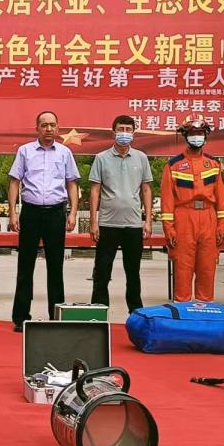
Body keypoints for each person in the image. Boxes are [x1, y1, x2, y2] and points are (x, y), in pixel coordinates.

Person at [8, 111, 80, 332]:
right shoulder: (25, 151)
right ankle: (21, 317)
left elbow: (72, 184)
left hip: (56, 213)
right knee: (25, 266)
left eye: (52, 125)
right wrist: (12, 213)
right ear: (37, 128)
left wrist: (73, 212)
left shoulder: (65, 152)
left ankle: (56, 316)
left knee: (56, 267)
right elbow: (14, 182)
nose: (48, 129)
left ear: (57, 128)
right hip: (30, 213)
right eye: (44, 125)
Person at [160, 115, 224, 302]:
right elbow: (167, 201)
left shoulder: (214, 164)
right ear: (185, 135)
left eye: (199, 133)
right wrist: (169, 228)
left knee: (207, 267)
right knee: (183, 267)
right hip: (184, 218)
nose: (196, 137)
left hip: (208, 218)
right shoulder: (173, 166)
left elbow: (222, 201)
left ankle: (205, 309)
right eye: (192, 133)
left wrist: (222, 225)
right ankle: (182, 309)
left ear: (205, 136)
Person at [89, 115, 153, 313]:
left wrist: (148, 220)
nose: (124, 133)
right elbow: (95, 190)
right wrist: (93, 222)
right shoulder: (101, 158)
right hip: (107, 223)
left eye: (128, 130)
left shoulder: (141, 158)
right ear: (113, 132)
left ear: (134, 133)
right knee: (102, 271)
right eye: (120, 129)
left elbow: (146, 189)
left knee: (133, 272)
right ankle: (98, 312)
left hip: (133, 224)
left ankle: (135, 312)